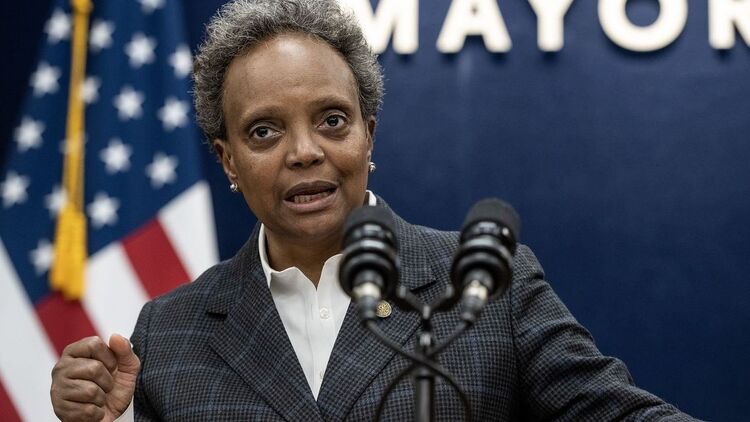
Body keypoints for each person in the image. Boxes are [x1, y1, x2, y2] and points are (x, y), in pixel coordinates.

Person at [50, 0, 700, 420]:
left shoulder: (488, 285)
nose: (305, 152)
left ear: (369, 134)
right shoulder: (169, 332)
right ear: (228, 161)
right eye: (264, 132)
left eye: (332, 120)